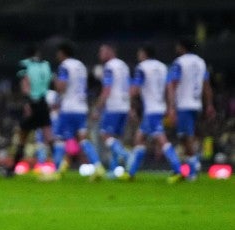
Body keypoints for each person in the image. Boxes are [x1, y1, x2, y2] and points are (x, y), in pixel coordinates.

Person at [124, 45, 183, 180]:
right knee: (139, 137)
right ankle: (130, 173)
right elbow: (169, 88)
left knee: (161, 139)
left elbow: (135, 88)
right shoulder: (163, 67)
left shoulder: (142, 67)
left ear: (144, 53)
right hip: (159, 107)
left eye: (139, 53)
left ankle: (178, 169)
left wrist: (129, 101)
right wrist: (170, 107)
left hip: (151, 110)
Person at [51, 42, 105, 180]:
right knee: (82, 139)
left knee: (61, 139)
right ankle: (98, 166)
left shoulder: (65, 66)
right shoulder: (80, 66)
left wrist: (55, 81)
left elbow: (62, 86)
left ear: (62, 53)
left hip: (69, 107)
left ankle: (57, 171)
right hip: (81, 107)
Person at [164, 38, 215, 183]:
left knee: (186, 136)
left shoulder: (179, 62)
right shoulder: (200, 62)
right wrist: (209, 104)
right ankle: (193, 164)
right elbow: (206, 85)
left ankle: (193, 169)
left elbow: (172, 84)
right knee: (184, 136)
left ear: (181, 47)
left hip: (184, 104)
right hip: (196, 104)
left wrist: (171, 107)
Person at [2, 45, 52, 177]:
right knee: (48, 136)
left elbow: (25, 83)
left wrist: (27, 103)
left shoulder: (25, 65)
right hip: (43, 102)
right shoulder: (46, 65)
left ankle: (11, 169)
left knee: (22, 137)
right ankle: (58, 166)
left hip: (32, 102)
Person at [90, 43, 131, 175]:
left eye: (102, 51)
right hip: (124, 105)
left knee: (105, 135)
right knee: (115, 139)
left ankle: (126, 155)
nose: (99, 54)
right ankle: (113, 169)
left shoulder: (109, 67)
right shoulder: (123, 66)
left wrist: (97, 109)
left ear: (110, 51)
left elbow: (107, 89)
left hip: (113, 105)